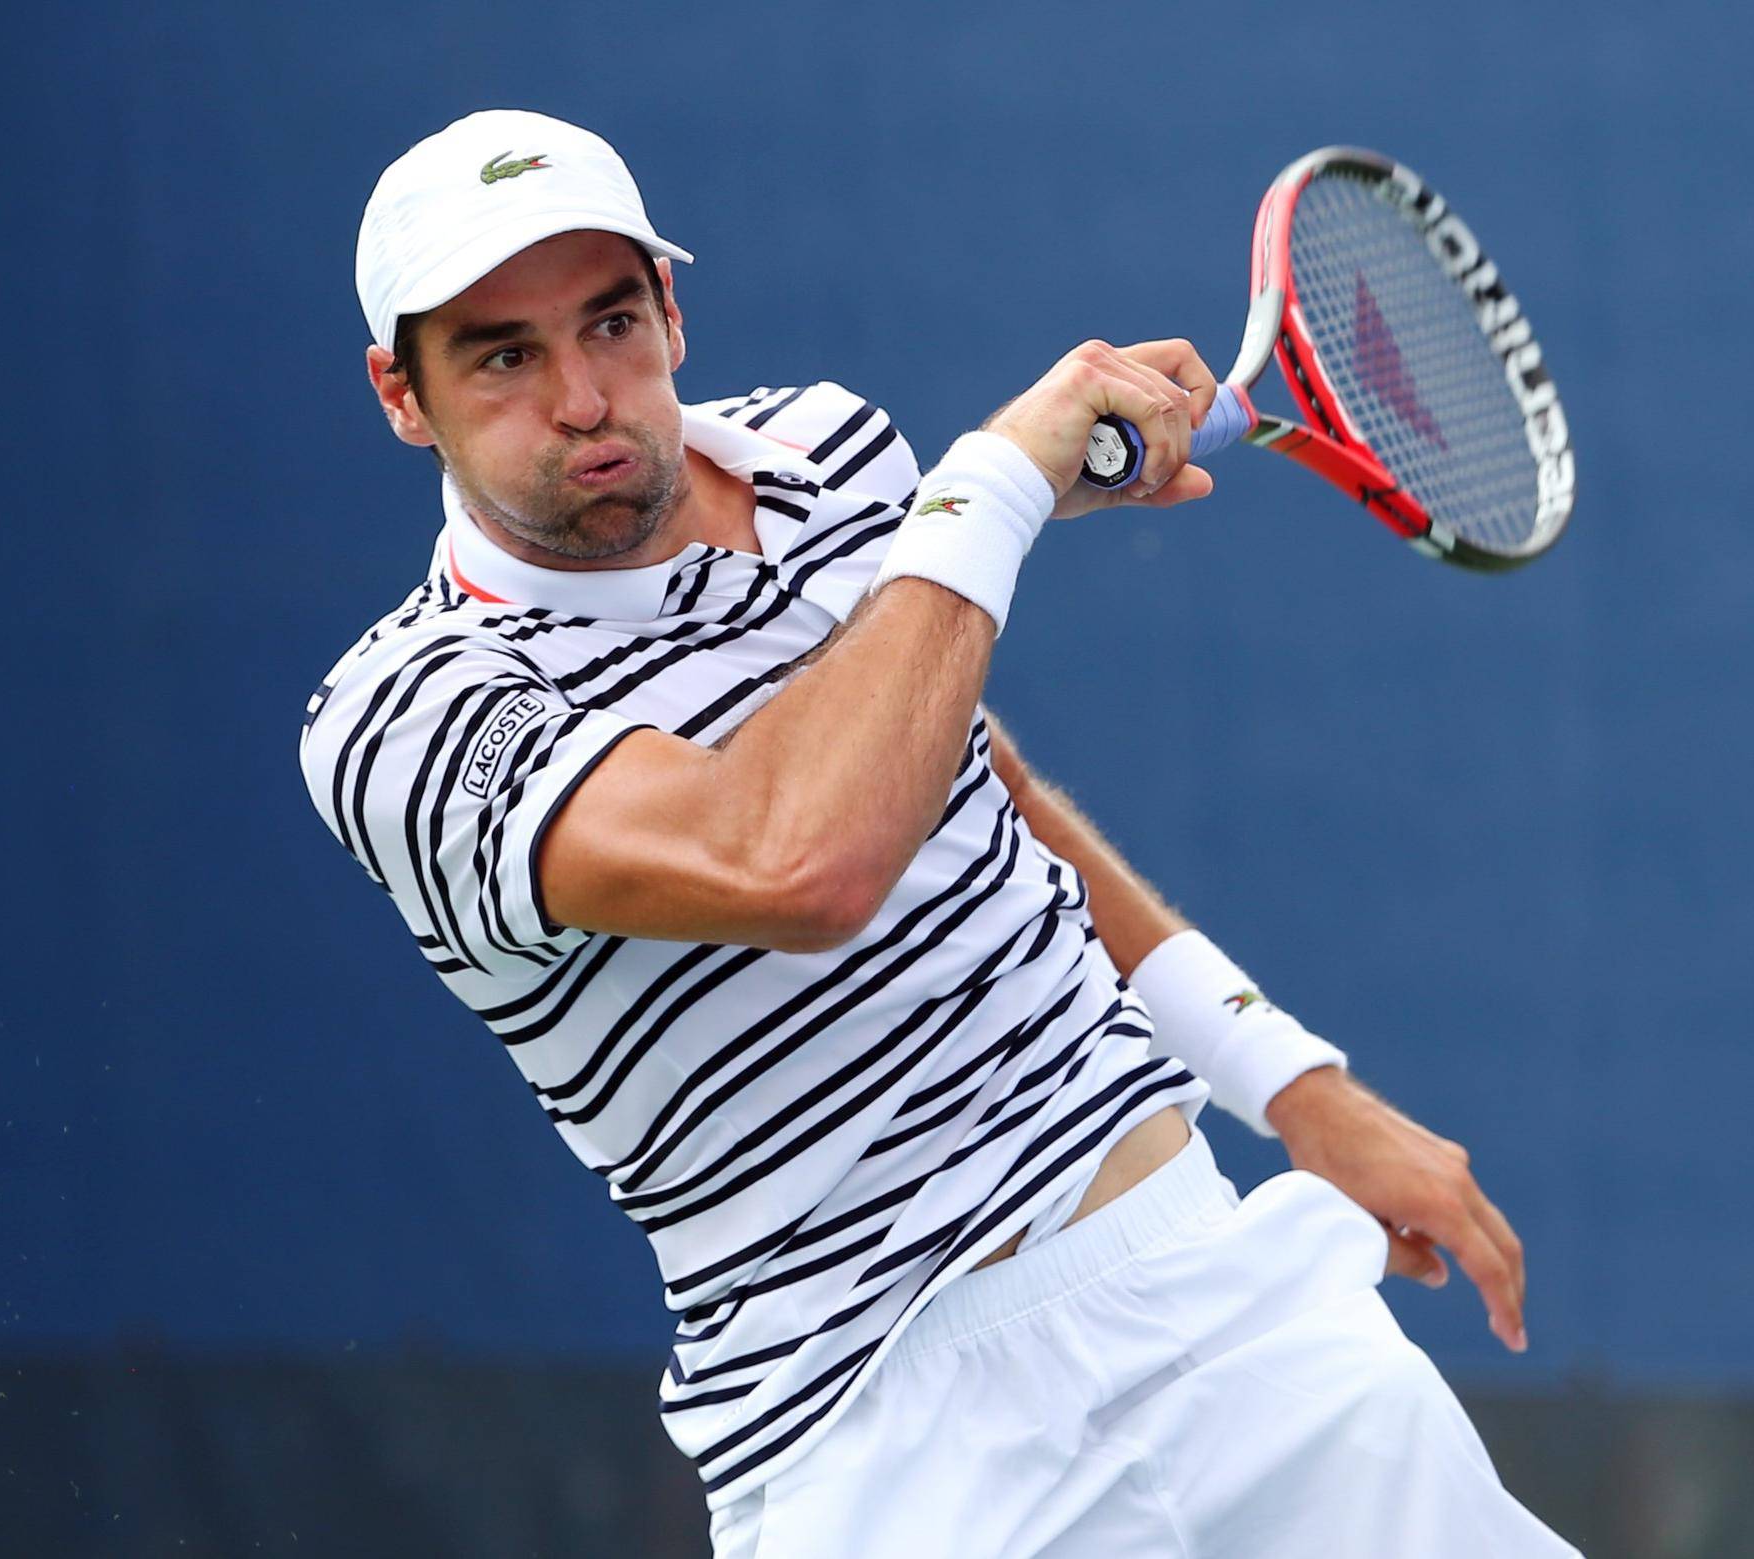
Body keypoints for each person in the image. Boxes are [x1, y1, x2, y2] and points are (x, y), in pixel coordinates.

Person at [301, 108, 1579, 1557]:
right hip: (889, 1445)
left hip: (1211, 1298)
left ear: (670, 309)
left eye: (611, 324)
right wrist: (992, 487)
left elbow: (982, 796)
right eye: (504, 357)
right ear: (402, 395)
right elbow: (796, 862)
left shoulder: (829, 451)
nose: (586, 399)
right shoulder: (404, 719)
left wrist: (1289, 1082)